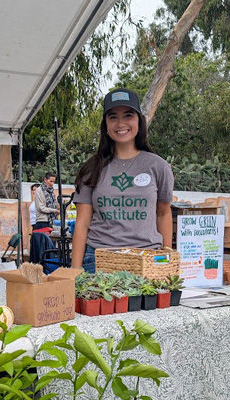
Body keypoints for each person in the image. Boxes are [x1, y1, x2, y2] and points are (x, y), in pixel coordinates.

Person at [72, 88, 174, 273]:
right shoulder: (91, 169)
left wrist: (166, 262)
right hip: (98, 261)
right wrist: (75, 270)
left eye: (128, 115)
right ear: (105, 124)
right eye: (113, 117)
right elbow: (82, 223)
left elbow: (163, 214)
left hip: (147, 261)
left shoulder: (158, 166)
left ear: (138, 121)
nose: (121, 123)